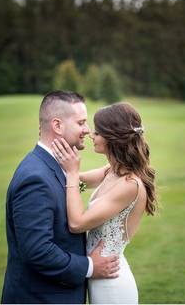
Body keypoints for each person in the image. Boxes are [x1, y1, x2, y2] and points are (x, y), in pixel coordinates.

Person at [1, 91, 120, 303]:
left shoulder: (56, 167)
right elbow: (38, 251)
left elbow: (91, 179)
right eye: (81, 122)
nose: (87, 130)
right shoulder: (35, 178)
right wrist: (91, 266)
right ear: (57, 126)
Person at [51, 102, 156, 304]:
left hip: (112, 283)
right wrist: (55, 164)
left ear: (113, 138)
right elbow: (81, 180)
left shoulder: (129, 185)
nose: (91, 135)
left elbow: (77, 223)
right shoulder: (113, 170)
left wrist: (72, 172)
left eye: (97, 133)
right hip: (99, 274)